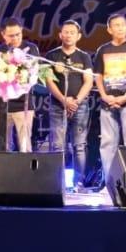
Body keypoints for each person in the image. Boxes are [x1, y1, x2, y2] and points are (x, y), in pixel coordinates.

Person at [94, 13, 126, 186]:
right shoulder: (103, 50)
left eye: (123, 25)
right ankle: (109, 183)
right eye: (116, 25)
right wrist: (104, 95)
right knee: (108, 144)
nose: (120, 28)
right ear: (109, 29)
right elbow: (98, 75)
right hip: (107, 103)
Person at [45, 20, 94, 190]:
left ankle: (78, 183)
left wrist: (76, 101)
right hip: (58, 105)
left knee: (79, 146)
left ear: (78, 36)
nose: (68, 35)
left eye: (72, 32)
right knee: (57, 145)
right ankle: (56, 184)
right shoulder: (52, 56)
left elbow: (88, 81)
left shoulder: (84, 57)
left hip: (80, 106)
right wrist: (63, 100)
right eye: (65, 32)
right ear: (60, 35)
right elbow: (48, 81)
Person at [0, 18, 40, 152]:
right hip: (0, 105)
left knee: (25, 146)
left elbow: (33, 74)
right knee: (3, 147)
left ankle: (25, 167)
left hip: (23, 105)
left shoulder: (30, 49)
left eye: (18, 34)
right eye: (11, 36)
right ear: (3, 34)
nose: (16, 38)